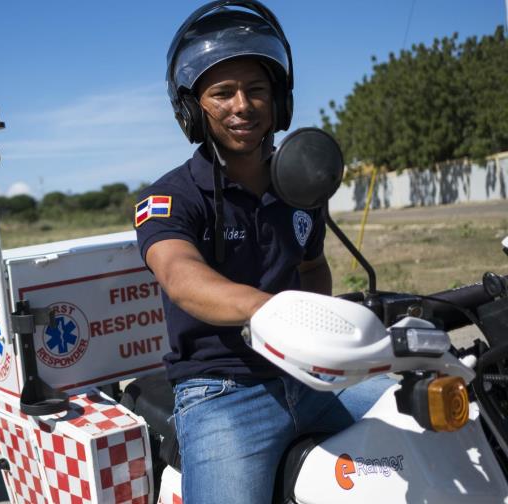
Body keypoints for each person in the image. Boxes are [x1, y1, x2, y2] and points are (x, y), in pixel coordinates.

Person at [134, 2, 391, 502]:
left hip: (309, 377)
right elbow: (182, 277)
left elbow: (312, 265)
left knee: (441, 423)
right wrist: (274, 311)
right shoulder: (169, 198)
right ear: (192, 109)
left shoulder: (299, 184)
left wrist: (320, 326)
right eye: (222, 93)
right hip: (222, 392)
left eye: (256, 90)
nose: (242, 105)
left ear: (280, 102)